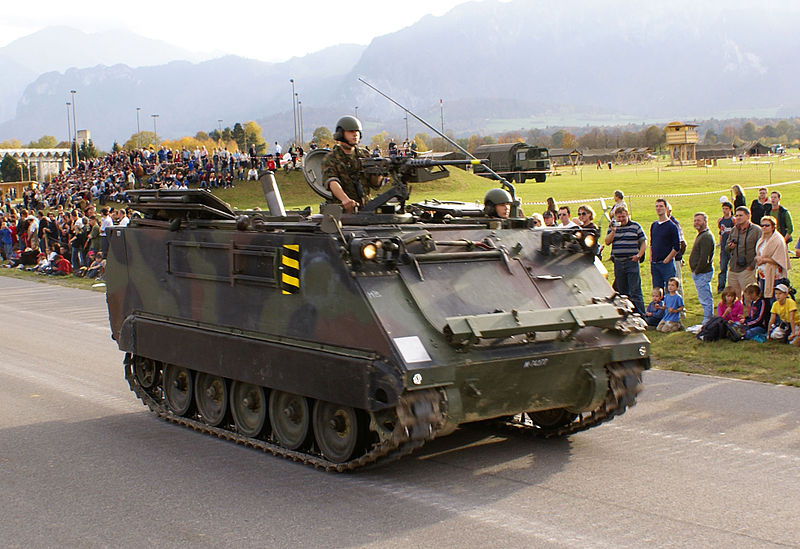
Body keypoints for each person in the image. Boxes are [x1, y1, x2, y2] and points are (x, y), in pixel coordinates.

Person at [321, 116, 382, 213]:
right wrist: (345, 200)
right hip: (343, 211)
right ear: (341, 133)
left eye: (357, 132)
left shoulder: (365, 155)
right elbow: (332, 181)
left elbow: (375, 184)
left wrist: (377, 172)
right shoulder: (331, 158)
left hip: (367, 209)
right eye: (351, 132)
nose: (355, 135)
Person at [604, 206, 647, 316]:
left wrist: (639, 255)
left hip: (631, 262)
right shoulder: (613, 228)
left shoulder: (635, 226)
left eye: (623, 217)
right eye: (619, 217)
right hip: (618, 262)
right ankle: (626, 315)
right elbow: (607, 242)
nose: (621, 219)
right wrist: (613, 231)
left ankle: (641, 315)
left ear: (627, 216)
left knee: (635, 290)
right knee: (622, 292)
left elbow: (644, 242)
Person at [755, 215, 791, 308]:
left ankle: (777, 321)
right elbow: (759, 253)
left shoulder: (778, 240)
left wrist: (764, 260)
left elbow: (781, 259)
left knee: (774, 300)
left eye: (767, 225)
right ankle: (766, 320)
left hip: (775, 275)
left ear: (772, 226)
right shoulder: (762, 239)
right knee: (764, 300)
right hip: (762, 274)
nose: (764, 227)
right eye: (762, 225)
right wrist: (758, 259)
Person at [726, 206, 761, 298]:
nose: (738, 217)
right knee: (733, 297)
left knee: (749, 297)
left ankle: (750, 312)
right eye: (736, 215)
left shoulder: (756, 230)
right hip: (733, 268)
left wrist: (752, 266)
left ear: (748, 216)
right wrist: (730, 247)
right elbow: (726, 248)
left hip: (747, 269)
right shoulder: (734, 230)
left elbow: (761, 250)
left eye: (741, 215)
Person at [649, 198, 680, 292]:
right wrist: (651, 257)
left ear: (666, 208)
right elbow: (652, 243)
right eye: (657, 206)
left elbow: (677, 246)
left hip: (666, 264)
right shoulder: (654, 225)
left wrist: (667, 259)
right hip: (655, 263)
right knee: (657, 291)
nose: (658, 208)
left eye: (661, 206)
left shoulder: (672, 226)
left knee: (670, 290)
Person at [689, 212, 715, 326]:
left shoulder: (706, 236)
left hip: (702, 273)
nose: (696, 223)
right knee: (703, 297)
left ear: (705, 221)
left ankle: (707, 321)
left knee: (705, 299)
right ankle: (707, 319)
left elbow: (705, 258)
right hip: (700, 272)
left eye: (699, 220)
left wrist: (697, 271)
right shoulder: (702, 235)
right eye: (695, 220)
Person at [717, 201, 734, 292]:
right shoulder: (720, 220)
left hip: (731, 248)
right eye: (723, 209)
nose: (724, 210)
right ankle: (721, 287)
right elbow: (721, 233)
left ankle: (732, 286)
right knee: (723, 267)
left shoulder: (733, 220)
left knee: (732, 268)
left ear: (730, 210)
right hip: (723, 248)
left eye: (726, 209)